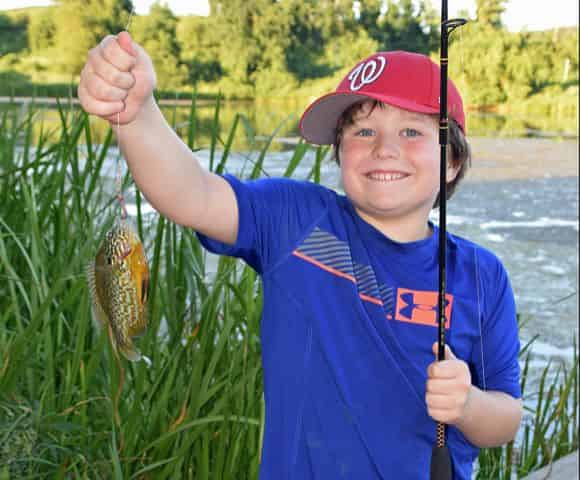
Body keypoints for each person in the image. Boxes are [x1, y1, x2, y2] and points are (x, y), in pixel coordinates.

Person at [78, 32, 523, 479]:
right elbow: (192, 195)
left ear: (453, 162)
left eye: (412, 131)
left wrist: (467, 406)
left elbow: (505, 418)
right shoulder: (297, 221)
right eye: (362, 130)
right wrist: (138, 114)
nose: (383, 148)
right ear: (339, 153)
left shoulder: (483, 276)